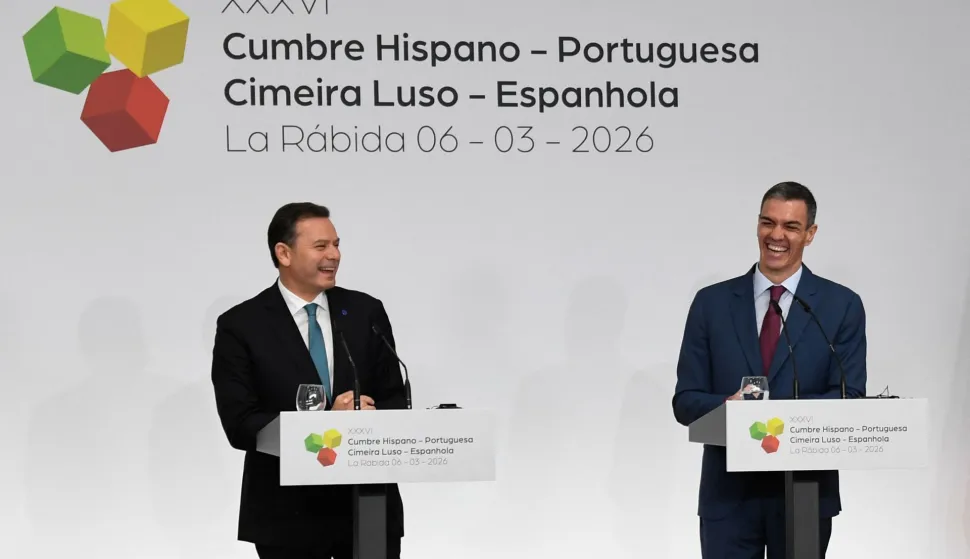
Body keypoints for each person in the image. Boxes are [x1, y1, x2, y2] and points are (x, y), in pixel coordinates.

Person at [672, 181, 867, 559]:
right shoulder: (710, 303)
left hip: (805, 494)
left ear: (810, 234)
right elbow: (685, 402)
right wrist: (728, 406)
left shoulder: (840, 305)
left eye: (791, 227)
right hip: (727, 495)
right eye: (768, 222)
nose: (776, 235)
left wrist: (773, 413)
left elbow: (850, 398)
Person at [211, 202, 407, 559]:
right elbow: (241, 424)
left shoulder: (365, 312)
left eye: (336, 244)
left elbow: (395, 399)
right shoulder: (242, 326)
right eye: (321, 246)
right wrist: (327, 425)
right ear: (283, 253)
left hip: (369, 506)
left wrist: (370, 415)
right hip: (287, 513)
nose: (334, 254)